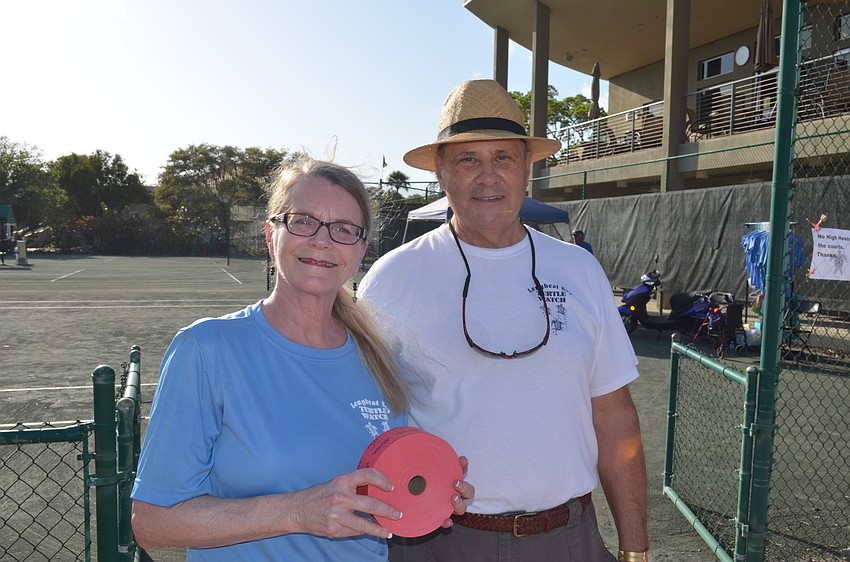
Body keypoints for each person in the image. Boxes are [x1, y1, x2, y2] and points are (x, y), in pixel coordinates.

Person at [359, 80, 650, 562]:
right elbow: (360, 415)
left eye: (503, 157)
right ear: (441, 172)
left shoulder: (579, 269)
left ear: (527, 167)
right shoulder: (393, 278)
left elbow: (614, 415)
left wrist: (635, 550)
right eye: (467, 160)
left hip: (569, 540)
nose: (488, 176)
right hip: (439, 542)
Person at [131, 157, 473, 562]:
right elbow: (153, 523)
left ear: (361, 250)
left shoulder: (381, 363)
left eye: (343, 229)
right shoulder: (206, 350)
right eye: (303, 221)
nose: (322, 241)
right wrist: (296, 512)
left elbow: (384, 497)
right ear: (270, 235)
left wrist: (432, 493)